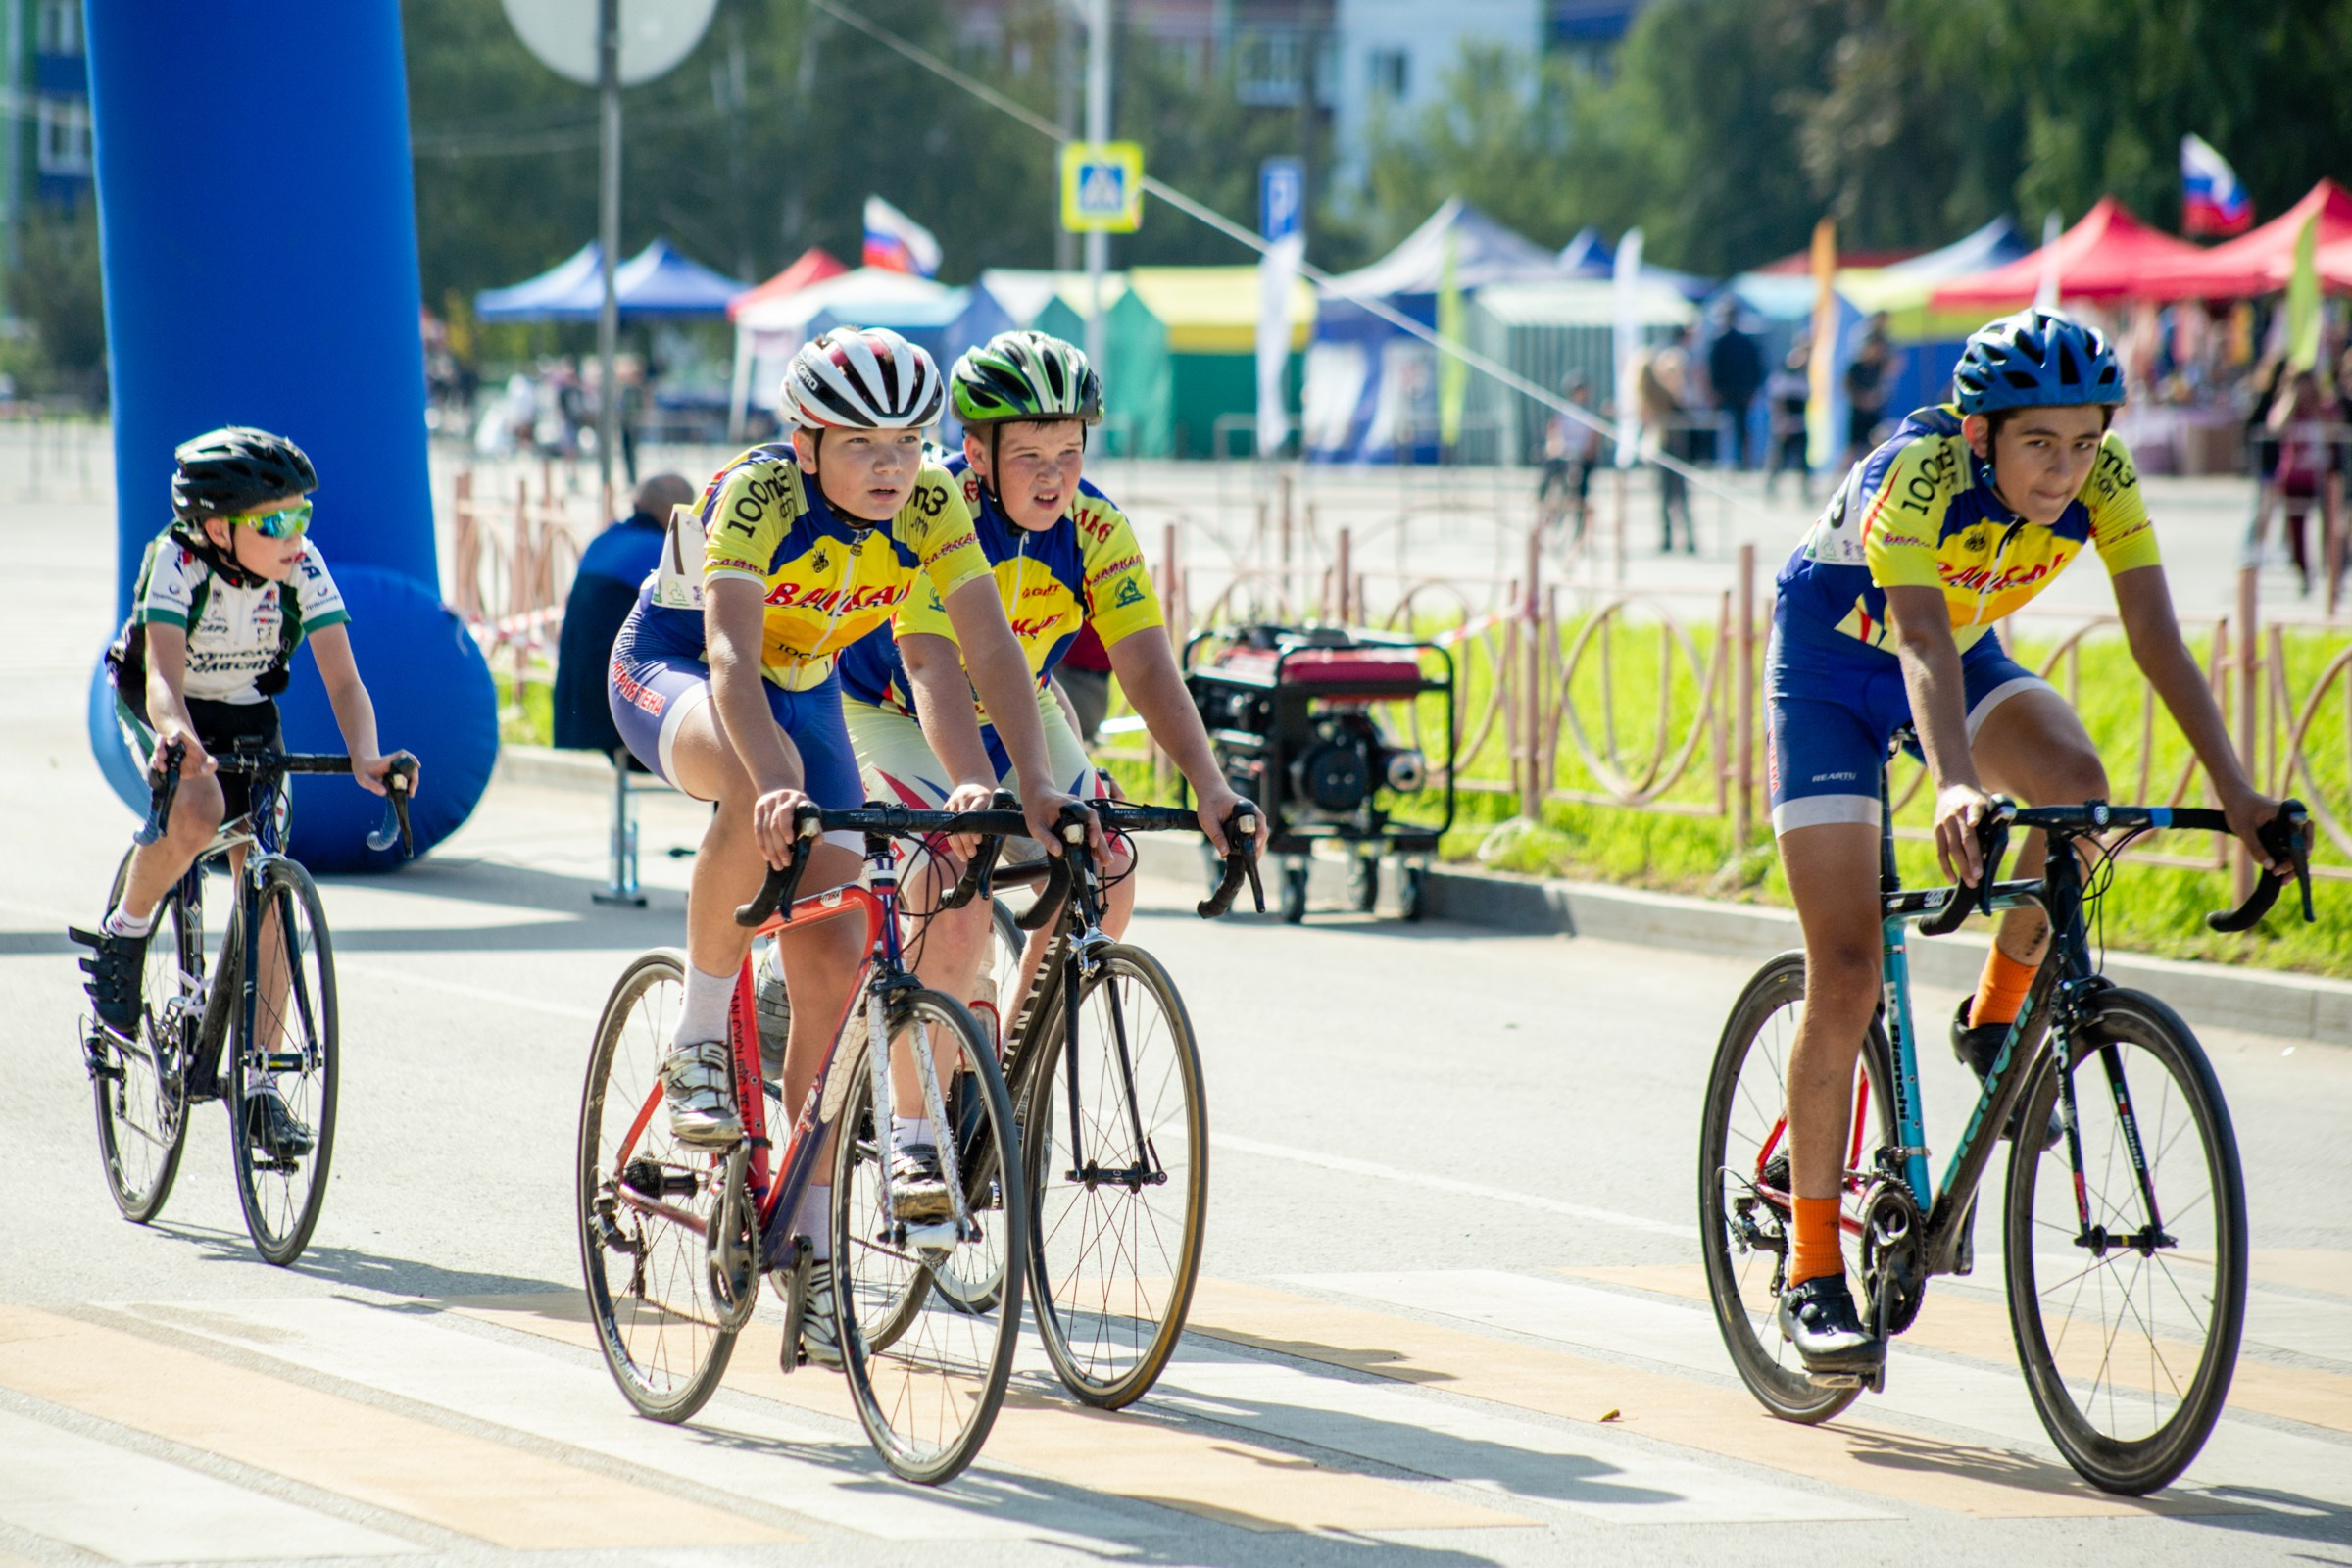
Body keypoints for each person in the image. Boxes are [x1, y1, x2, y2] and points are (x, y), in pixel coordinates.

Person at [1763, 309, 2285, 1378]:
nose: (2065, 470)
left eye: (2085, 441)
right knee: (1849, 969)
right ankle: (1812, 1268)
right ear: (1981, 432)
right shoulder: (1917, 470)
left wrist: (2238, 794)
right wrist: (1953, 782)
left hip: (1953, 655)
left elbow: (2156, 641)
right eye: (2039, 442)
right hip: (1835, 667)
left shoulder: (2105, 483)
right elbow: (1913, 632)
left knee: (2077, 796)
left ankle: (1994, 1020)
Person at [604, 327, 1090, 1366]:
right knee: (749, 781)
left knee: (835, 962)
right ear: (806, 439)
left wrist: (1027, 781)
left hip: (805, 689)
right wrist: (777, 781)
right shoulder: (758, 493)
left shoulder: (930, 502)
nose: (891, 466)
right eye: (863, 443)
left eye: (909, 444)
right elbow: (731, 652)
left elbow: (989, 643)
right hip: (681, 670)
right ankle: (696, 1037)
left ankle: (813, 1251)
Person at [833, 330, 1261, 1035]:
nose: (1053, 476)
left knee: (1109, 867)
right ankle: (909, 1105)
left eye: (1069, 453)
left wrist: (1211, 786)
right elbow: (929, 663)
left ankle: (1010, 1073)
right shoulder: (935, 509)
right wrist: (973, 781)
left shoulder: (1095, 526)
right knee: (950, 892)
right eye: (1029, 456)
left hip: (1016, 702)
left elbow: (1148, 665)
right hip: (895, 710)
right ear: (977, 453)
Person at [71, 427, 414, 1158]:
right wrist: (179, 739)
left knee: (268, 890)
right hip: (168, 708)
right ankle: (124, 937)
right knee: (198, 811)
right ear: (219, 527)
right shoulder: (178, 560)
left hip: (251, 713)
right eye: (275, 521)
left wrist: (366, 755)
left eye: (302, 516)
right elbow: (161, 676)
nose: (296, 535)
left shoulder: (302, 567)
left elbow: (345, 680)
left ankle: (259, 1089)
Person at [553, 472, 695, 756]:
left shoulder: (603, 540)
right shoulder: (667, 551)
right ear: (678, 513)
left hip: (575, 703)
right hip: (624, 706)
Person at [1639, 329, 1695, 553]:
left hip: (1676, 446)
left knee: (1680, 497)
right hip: (1665, 446)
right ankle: (1668, 538)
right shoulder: (1657, 392)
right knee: (1667, 497)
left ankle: (1686, 539)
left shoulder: (1675, 393)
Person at [1537, 372, 1601, 544]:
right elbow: (1554, 432)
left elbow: (1593, 439)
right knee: (1550, 469)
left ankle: (1577, 529)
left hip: (1581, 458)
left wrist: (1585, 452)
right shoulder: (1564, 411)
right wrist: (1556, 446)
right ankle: (1546, 505)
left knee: (1578, 484)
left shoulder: (1591, 413)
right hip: (1564, 455)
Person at [1707, 302, 1767, 470]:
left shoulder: (1732, 341)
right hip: (1733, 392)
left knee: (1738, 428)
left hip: (1735, 392)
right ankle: (1732, 461)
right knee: (1731, 429)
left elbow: (1756, 366)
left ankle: (1738, 462)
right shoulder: (1728, 341)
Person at [1842, 313, 1902, 467]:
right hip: (1858, 408)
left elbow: (1888, 377)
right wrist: (1861, 399)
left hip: (1874, 406)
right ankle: (1840, 476)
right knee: (1854, 445)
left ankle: (1872, 469)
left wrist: (1876, 397)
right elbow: (1846, 385)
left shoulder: (1880, 363)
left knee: (1875, 441)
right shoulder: (1857, 364)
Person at [1765, 333, 1812, 503]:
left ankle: (1806, 492)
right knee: (1778, 459)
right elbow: (1777, 398)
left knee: (1802, 460)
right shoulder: (1785, 370)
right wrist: (1781, 421)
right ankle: (1770, 489)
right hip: (1785, 422)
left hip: (1799, 421)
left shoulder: (1807, 372)